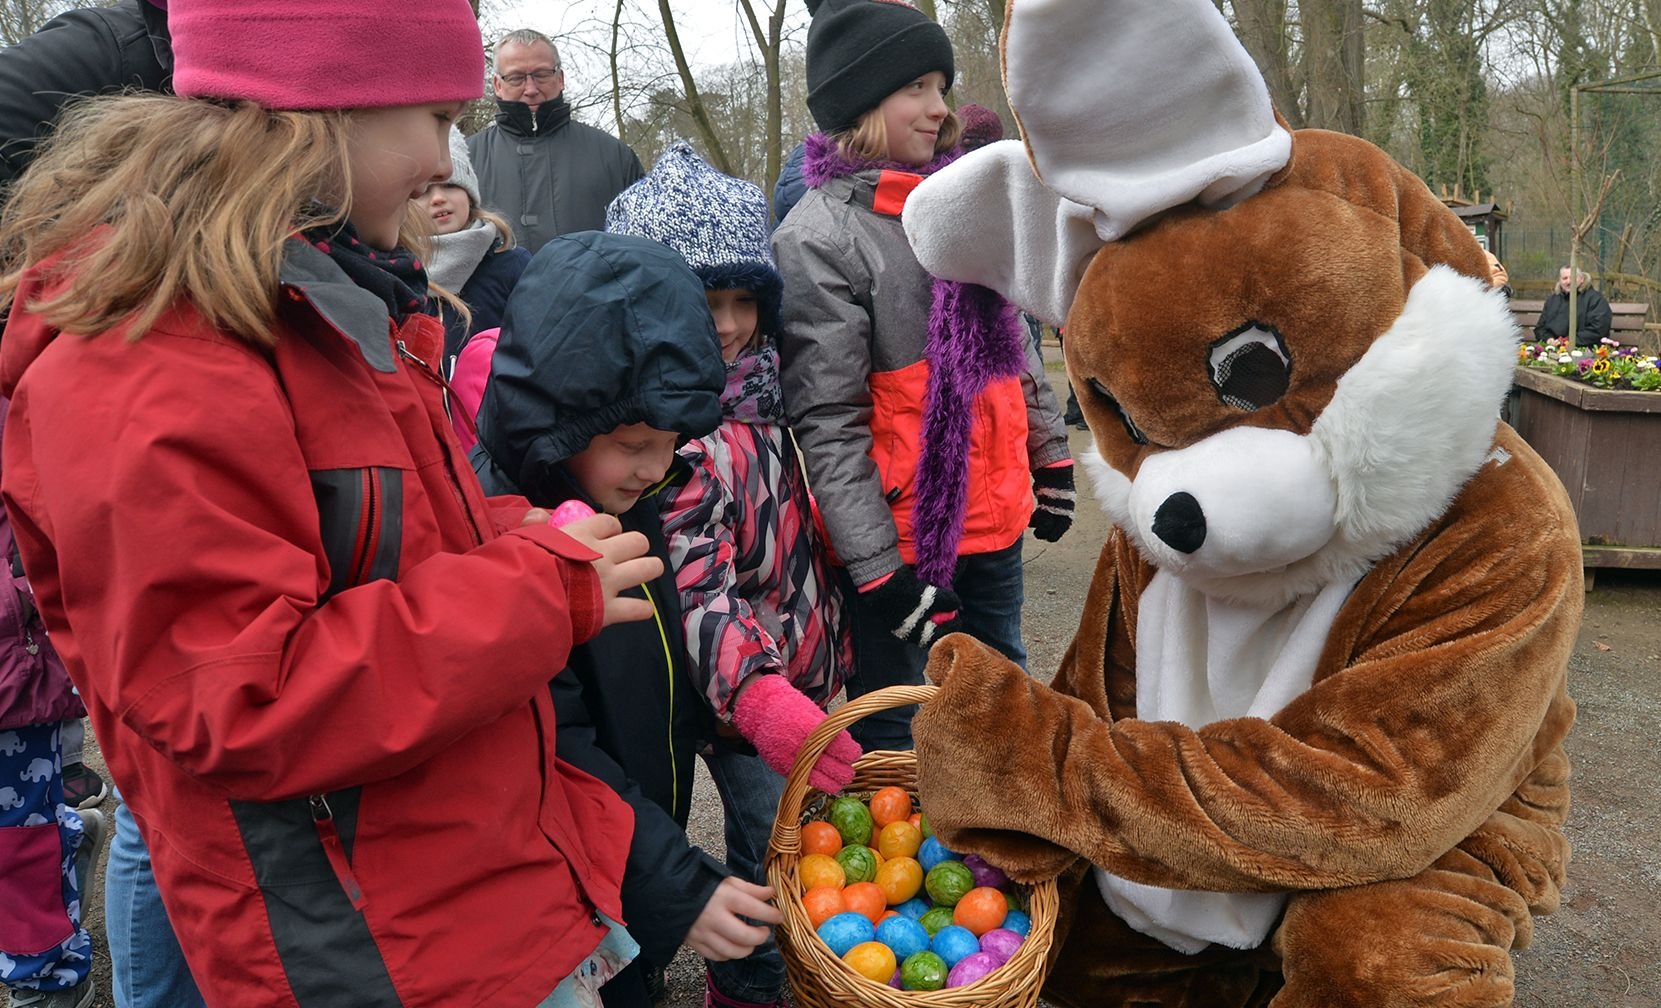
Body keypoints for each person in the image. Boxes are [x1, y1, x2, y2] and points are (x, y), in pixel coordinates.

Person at [0, 1, 665, 1004]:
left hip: (444, 897)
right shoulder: (154, 354)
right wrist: (532, 595)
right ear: (325, 109)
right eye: (437, 117)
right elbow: (242, 696)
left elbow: (351, 549)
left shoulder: (322, 298)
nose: (447, 162)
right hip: (360, 946)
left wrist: (500, 536)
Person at [465, 231, 784, 1008]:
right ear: (562, 423)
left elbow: (659, 662)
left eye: (671, 442)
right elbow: (552, 744)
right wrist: (676, 885)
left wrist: (735, 707)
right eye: (636, 444)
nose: (656, 466)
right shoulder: (509, 539)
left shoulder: (625, 494)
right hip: (560, 889)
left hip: (627, 848)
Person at [773, 0, 1074, 753]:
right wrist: (877, 568)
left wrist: (1048, 452)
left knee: (1005, 713)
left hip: (994, 518)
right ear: (861, 101)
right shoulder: (819, 236)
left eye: (941, 86)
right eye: (917, 88)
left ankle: (1010, 863)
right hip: (902, 545)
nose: (940, 109)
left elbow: (1013, 340)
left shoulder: (964, 201)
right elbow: (828, 420)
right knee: (901, 728)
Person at [606, 142, 858, 1008]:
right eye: (702, 300)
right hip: (742, 693)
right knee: (764, 855)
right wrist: (760, 695)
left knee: (796, 840)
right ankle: (747, 989)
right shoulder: (668, 434)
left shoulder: (764, 393)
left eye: (742, 300)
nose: (725, 324)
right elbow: (696, 582)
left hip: (796, 667)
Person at [0, 397, 106, 1008]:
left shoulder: (20, 397)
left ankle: (48, 982)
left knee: (17, 846)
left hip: (10, 678)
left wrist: (22, 599)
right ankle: (66, 836)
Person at [468, 29, 644, 253]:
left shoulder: (614, 156)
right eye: (516, 77)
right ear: (497, 85)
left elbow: (643, 249)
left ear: (560, 78)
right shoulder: (463, 161)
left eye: (542, 74)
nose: (531, 89)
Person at [423, 125, 532, 374]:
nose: (438, 198)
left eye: (450, 185)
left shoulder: (512, 266)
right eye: (424, 190)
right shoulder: (399, 273)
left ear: (470, 194)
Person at [1535, 265, 1612, 347]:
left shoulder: (1596, 300)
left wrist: (1567, 341)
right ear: (1560, 281)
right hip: (1552, 349)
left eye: (1573, 278)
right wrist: (1549, 339)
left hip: (1584, 350)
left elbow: (1599, 330)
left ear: (1582, 279)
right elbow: (1540, 328)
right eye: (1564, 278)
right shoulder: (1552, 301)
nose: (1568, 282)